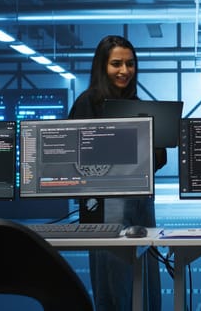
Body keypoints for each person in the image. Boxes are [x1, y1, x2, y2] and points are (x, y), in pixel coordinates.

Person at [68, 35, 165, 311]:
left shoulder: (139, 105)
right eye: (116, 64)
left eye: (130, 64)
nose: (125, 71)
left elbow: (155, 162)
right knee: (113, 280)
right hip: (104, 205)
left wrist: (157, 142)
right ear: (102, 66)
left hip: (141, 201)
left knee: (145, 273)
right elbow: (74, 157)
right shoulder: (87, 103)